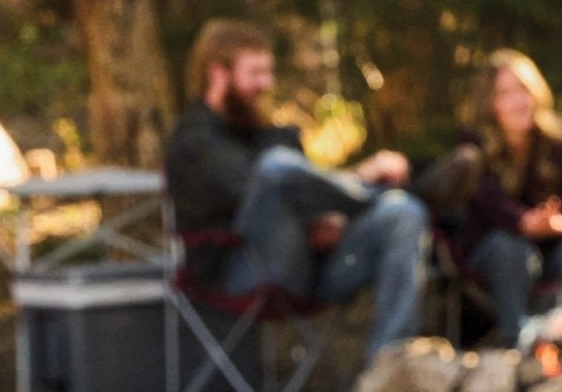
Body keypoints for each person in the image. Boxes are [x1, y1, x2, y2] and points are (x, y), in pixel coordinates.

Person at [164, 19, 428, 363]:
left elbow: (309, 197)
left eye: (268, 72)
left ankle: (388, 369)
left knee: (403, 212)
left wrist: (330, 217)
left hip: (313, 270)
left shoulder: (273, 134)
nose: (266, 84)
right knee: (276, 168)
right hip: (243, 274)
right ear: (217, 74)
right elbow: (252, 192)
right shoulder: (194, 141)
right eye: (255, 73)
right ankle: (393, 188)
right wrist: (346, 189)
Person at [438, 50, 562, 346]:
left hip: (552, 251)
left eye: (523, 89)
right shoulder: (473, 148)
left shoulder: (561, 141)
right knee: (508, 248)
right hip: (494, 254)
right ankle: (519, 341)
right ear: (489, 103)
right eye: (504, 93)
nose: (518, 101)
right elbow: (503, 213)